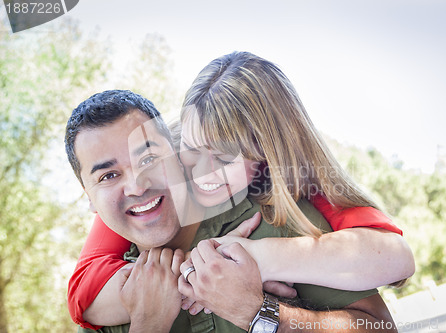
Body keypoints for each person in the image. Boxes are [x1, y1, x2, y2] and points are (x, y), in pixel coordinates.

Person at [66, 56, 412, 330]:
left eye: (225, 156)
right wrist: (196, 271)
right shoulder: (144, 178)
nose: (202, 170)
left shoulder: (291, 193)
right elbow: (83, 292)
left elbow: (395, 259)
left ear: (264, 157)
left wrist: (255, 258)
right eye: (191, 147)